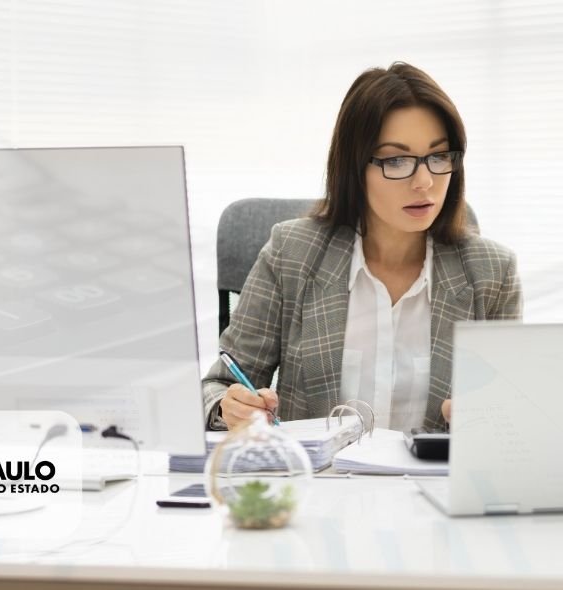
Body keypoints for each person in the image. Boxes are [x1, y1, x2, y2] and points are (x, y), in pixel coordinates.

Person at [203, 62, 522, 432]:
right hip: (319, 470)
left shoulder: (492, 273)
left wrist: (491, 417)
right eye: (396, 160)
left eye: (438, 156)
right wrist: (230, 407)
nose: (424, 182)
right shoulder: (291, 253)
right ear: (354, 167)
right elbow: (218, 386)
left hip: (431, 473)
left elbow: (514, 412)